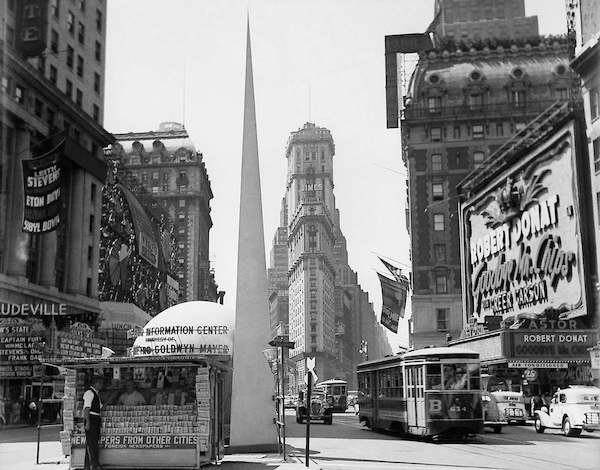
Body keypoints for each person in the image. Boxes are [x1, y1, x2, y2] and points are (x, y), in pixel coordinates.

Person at [83, 376, 104, 470]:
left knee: (93, 444)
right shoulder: (89, 393)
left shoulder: (96, 394)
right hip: (91, 420)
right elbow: (86, 408)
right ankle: (93, 466)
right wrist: (88, 422)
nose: (102, 385)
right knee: (92, 445)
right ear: (96, 383)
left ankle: (89, 466)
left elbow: (100, 408)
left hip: (95, 420)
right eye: (101, 383)